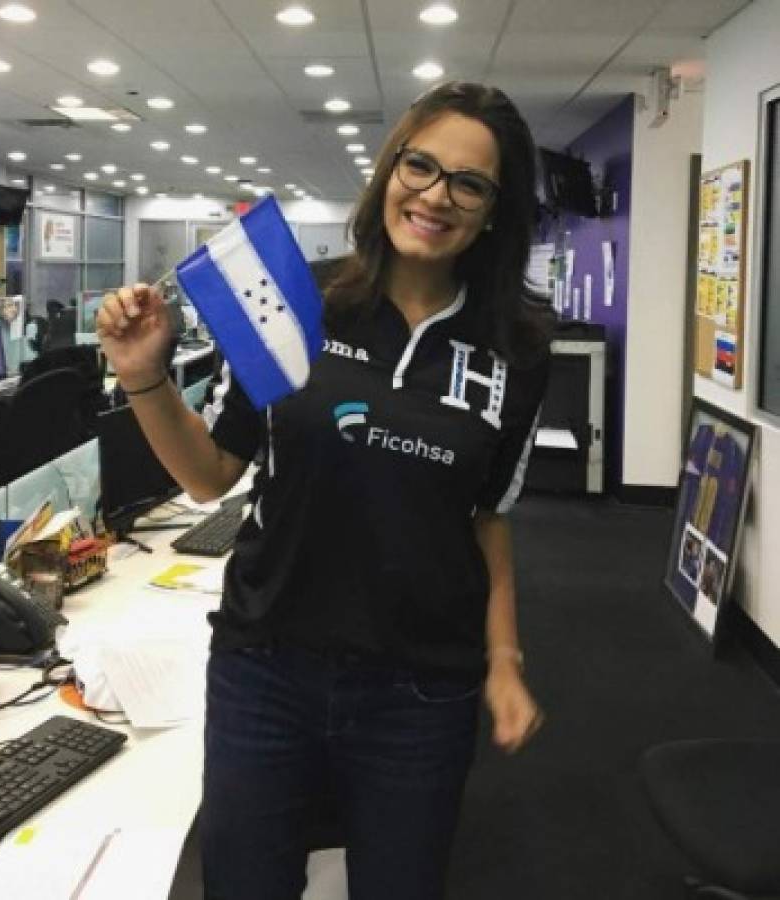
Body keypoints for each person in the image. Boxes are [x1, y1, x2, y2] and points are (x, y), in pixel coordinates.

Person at [97, 81, 554, 900]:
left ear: (492, 210)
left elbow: (487, 516)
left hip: (419, 687)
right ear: (389, 172)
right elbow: (210, 478)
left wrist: (504, 660)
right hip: (266, 666)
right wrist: (145, 378)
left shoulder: (514, 347)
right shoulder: (297, 298)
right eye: (420, 165)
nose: (435, 195)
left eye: (469, 182)